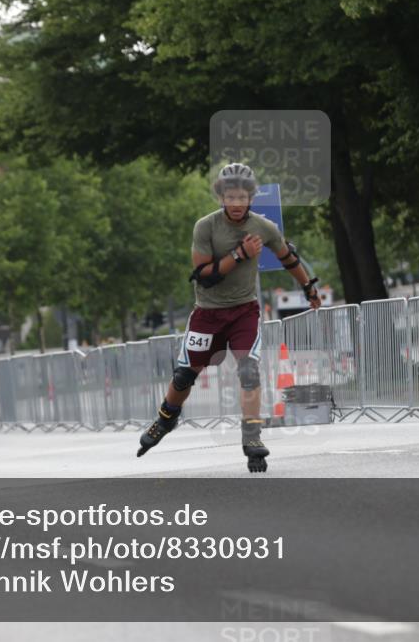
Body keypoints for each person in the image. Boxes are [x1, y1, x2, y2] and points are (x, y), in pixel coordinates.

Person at [136, 162, 322, 472]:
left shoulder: (264, 228)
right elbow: (204, 276)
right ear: (221, 197)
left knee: (249, 372)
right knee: (185, 376)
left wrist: (308, 288)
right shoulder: (205, 227)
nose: (236, 204)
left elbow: (288, 256)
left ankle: (252, 438)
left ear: (251, 197)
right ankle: (165, 419)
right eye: (230, 197)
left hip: (243, 313)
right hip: (207, 314)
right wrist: (239, 255)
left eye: (242, 197)